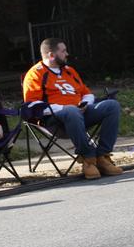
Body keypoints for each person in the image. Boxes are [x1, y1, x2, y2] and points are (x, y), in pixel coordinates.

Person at [22, 38, 123, 180]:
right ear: (51, 55)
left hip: (81, 113)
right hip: (55, 121)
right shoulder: (35, 74)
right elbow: (32, 105)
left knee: (112, 106)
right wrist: (66, 108)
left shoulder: (69, 71)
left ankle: (102, 156)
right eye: (63, 51)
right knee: (71, 111)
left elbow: (86, 93)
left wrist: (85, 103)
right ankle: (88, 159)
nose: (67, 54)